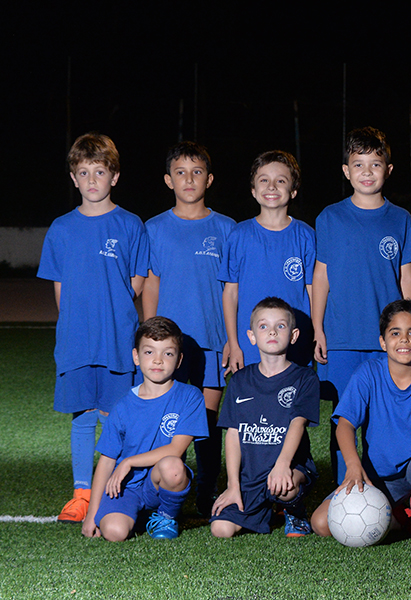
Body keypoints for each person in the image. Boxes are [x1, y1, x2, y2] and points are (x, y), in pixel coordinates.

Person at [38, 132, 149, 524]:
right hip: (77, 341)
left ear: (114, 176)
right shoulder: (61, 228)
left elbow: (137, 281)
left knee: (114, 415)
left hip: (117, 338)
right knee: (83, 415)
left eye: (99, 172)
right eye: (83, 172)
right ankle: (82, 494)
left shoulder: (130, 224)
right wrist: (78, 323)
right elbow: (59, 287)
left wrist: (111, 311)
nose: (91, 180)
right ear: (73, 178)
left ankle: (114, 491)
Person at [313, 127, 411, 482]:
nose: (367, 172)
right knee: (343, 418)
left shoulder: (402, 220)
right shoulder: (330, 217)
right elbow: (321, 277)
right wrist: (318, 328)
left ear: (389, 170)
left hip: (386, 341)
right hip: (342, 338)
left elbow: (406, 279)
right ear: (346, 171)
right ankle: (343, 491)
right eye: (359, 164)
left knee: (382, 417)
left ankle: (384, 489)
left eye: (375, 164)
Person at [311, 300, 411, 538]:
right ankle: (402, 518)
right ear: (382, 342)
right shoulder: (368, 373)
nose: (404, 340)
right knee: (321, 523)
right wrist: (353, 465)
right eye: (395, 333)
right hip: (375, 476)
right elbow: (344, 424)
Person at [143, 141, 236, 515]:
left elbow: (232, 288)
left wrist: (231, 339)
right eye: (180, 172)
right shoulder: (154, 228)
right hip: (170, 347)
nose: (189, 179)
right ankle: (165, 491)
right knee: (169, 419)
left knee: (207, 423)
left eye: (197, 172)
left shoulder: (226, 228)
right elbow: (151, 283)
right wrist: (150, 334)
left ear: (209, 179)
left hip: (213, 342)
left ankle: (207, 491)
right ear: (168, 180)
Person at [81, 317, 208, 541]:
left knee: (173, 467)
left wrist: (129, 462)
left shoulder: (190, 397)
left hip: (157, 483)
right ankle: (136, 516)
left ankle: (165, 516)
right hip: (125, 486)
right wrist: (92, 514)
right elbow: (107, 461)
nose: (158, 360)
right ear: (136, 357)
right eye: (149, 352)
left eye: (168, 353)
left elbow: (176, 449)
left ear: (179, 360)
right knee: (114, 532)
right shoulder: (122, 406)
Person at [211, 297, 319, 537]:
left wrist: (282, 465)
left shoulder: (305, 378)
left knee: (285, 488)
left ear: (293, 335)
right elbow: (233, 434)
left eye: (280, 325)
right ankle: (265, 511)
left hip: (288, 465)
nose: (272, 332)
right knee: (221, 529)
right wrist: (232, 485)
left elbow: (298, 423)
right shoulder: (240, 380)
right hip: (252, 474)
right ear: (251, 336)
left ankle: (295, 512)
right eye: (263, 326)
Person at [221, 150, 315, 373]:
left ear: (293, 190)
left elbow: (313, 291)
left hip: (295, 341)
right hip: (251, 343)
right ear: (253, 190)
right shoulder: (239, 235)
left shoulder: (306, 235)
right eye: (264, 180)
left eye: (280, 181)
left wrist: (316, 333)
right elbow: (230, 293)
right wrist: (233, 342)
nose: (271, 186)